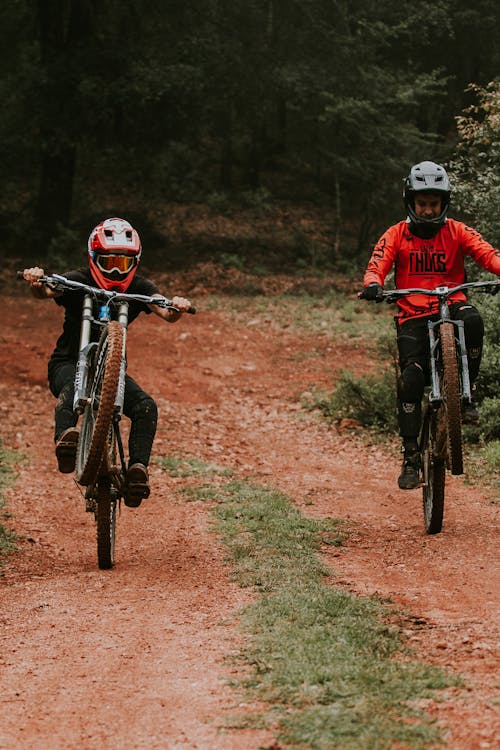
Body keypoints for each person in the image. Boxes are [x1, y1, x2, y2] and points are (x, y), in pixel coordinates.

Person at [22, 217, 193, 508]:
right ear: (93, 258)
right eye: (109, 261)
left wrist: (176, 306)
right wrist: (37, 281)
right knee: (70, 386)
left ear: (135, 262)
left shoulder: (138, 286)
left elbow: (165, 311)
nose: (115, 269)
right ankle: (66, 441)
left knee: (146, 406)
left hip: (110, 374)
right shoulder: (79, 279)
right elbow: (47, 291)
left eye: (123, 263)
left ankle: (137, 471)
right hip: (68, 362)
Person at [360, 161, 500, 490]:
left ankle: (466, 394)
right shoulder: (396, 233)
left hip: (452, 305)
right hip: (413, 314)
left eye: (433, 203)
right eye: (422, 203)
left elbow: (487, 253)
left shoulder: (458, 231)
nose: (427, 210)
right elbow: (377, 263)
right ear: (411, 202)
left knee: (474, 319)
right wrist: (372, 283)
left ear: (443, 204)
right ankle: (410, 457)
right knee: (411, 377)